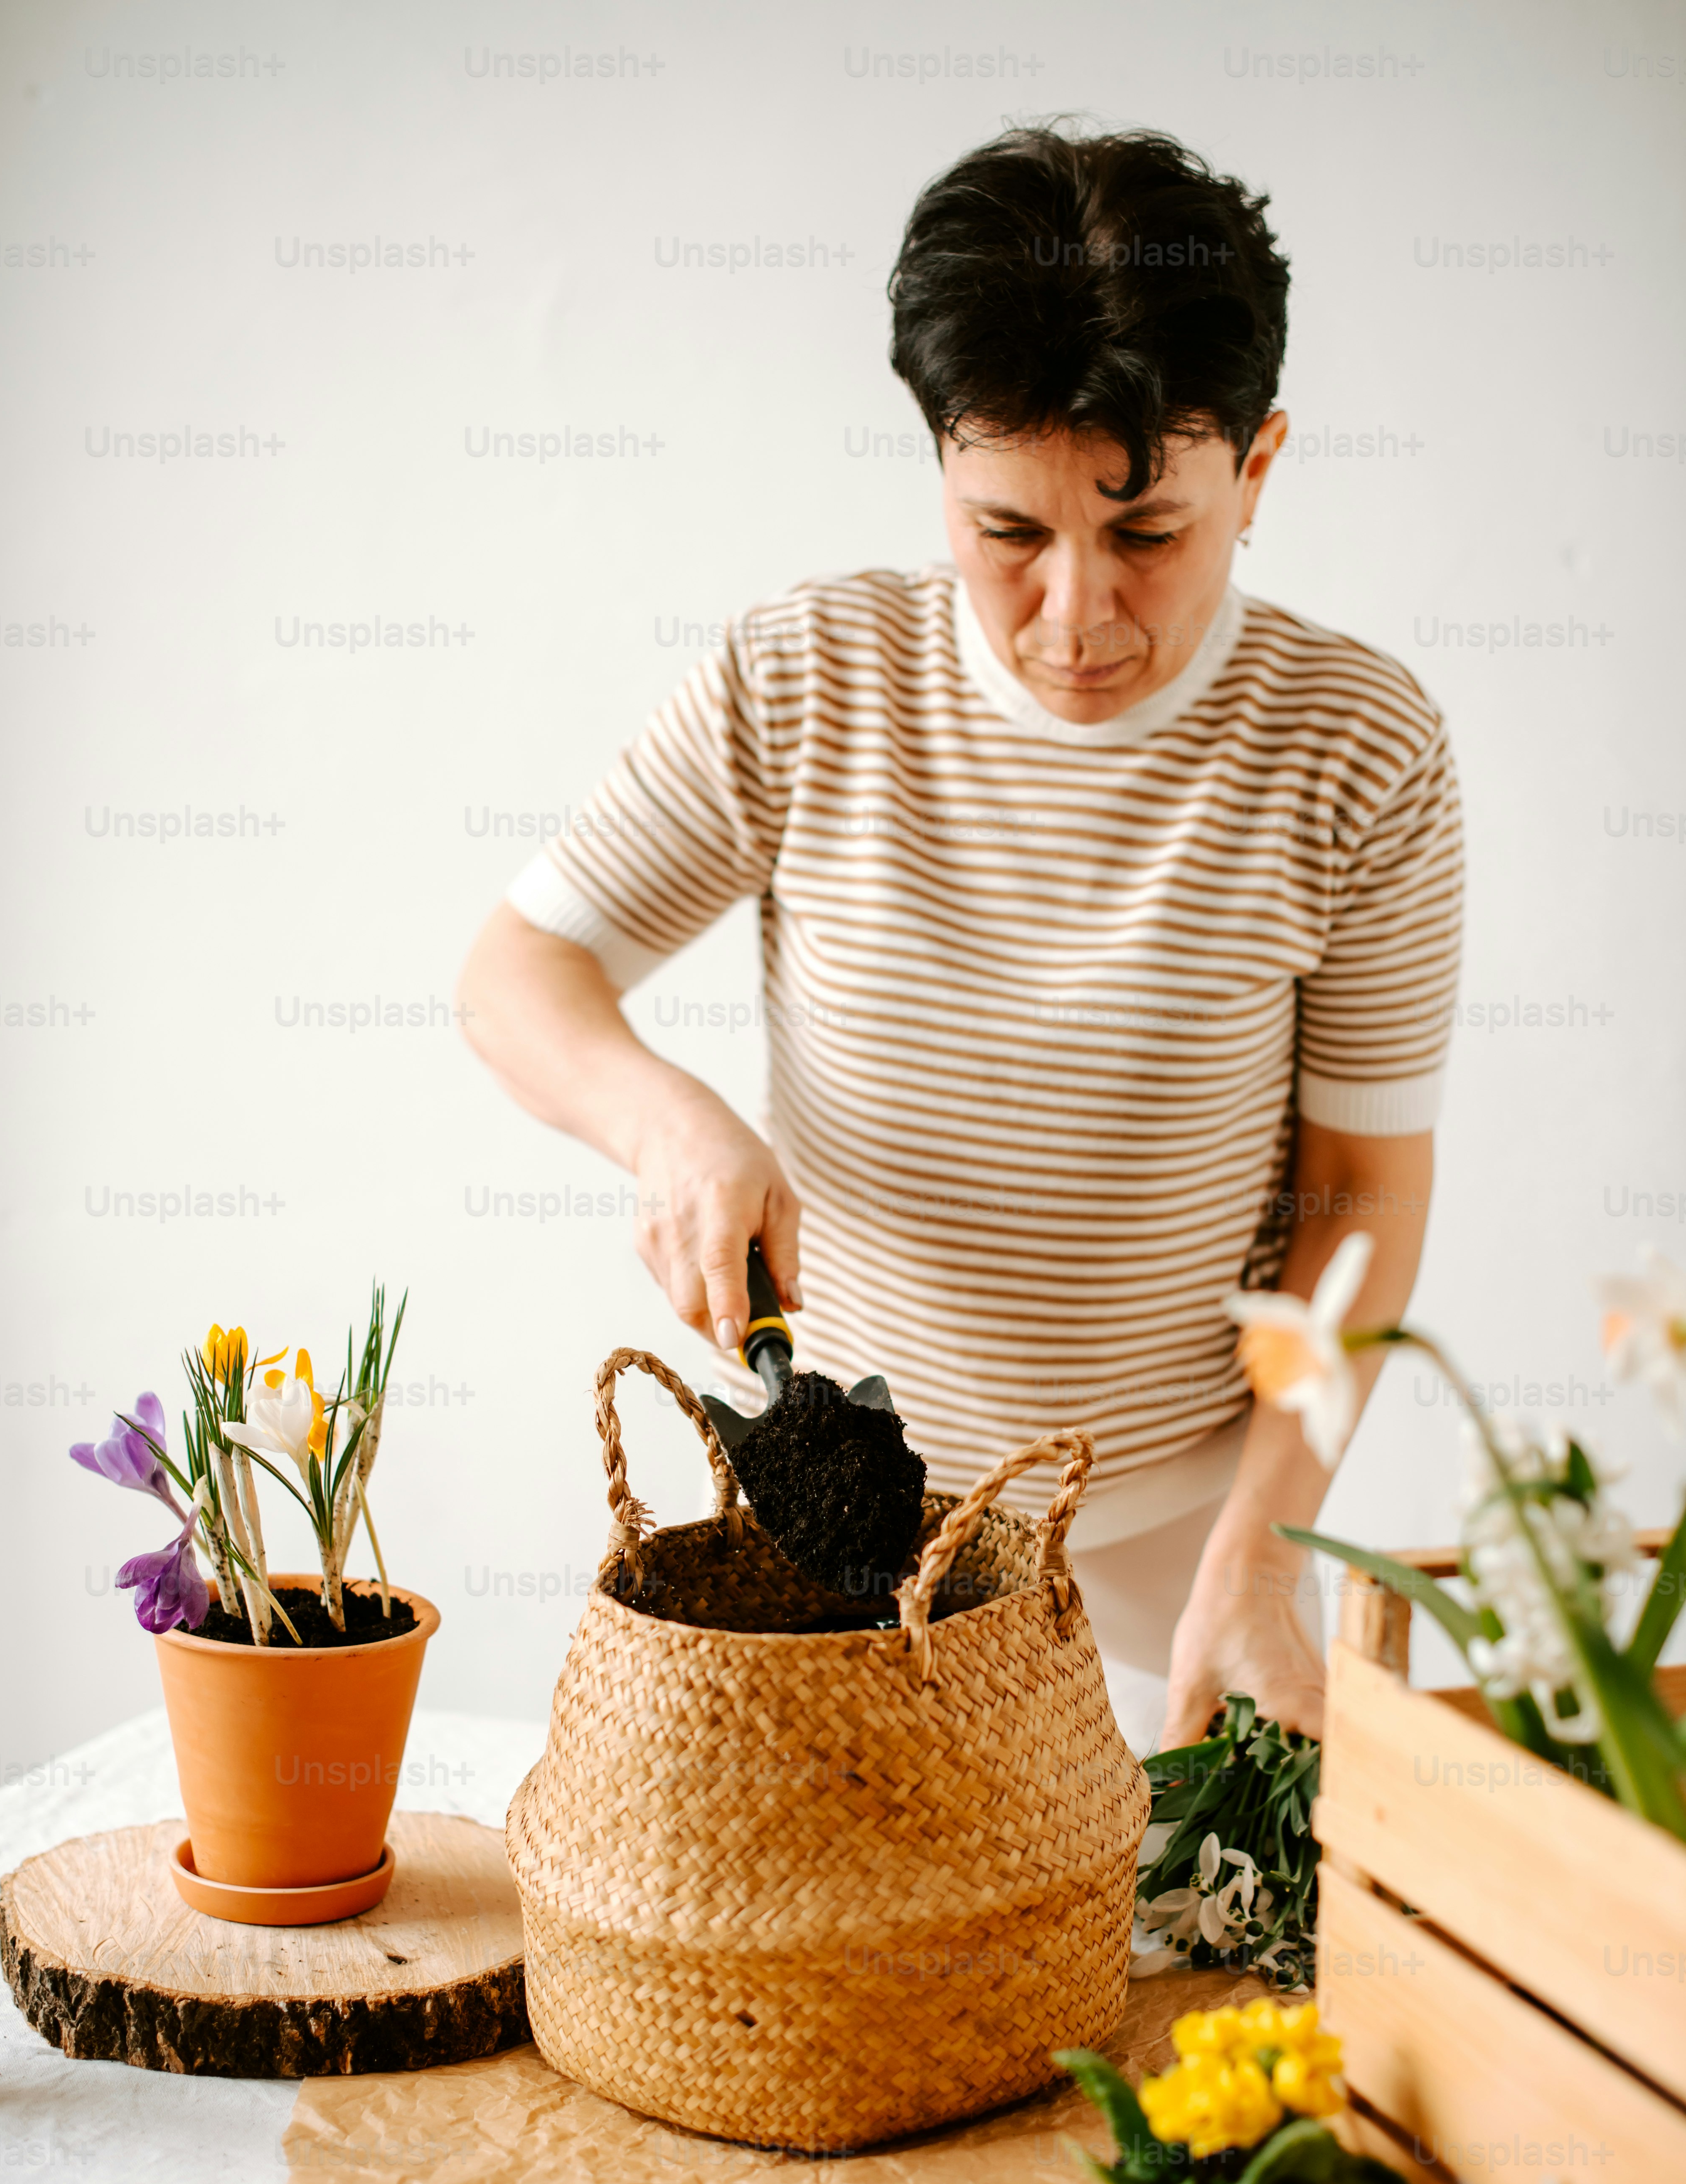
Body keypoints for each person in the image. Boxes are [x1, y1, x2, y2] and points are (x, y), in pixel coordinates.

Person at [460, 125, 1460, 1755]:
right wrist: (667, 1120)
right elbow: (515, 980)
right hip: (864, 1528)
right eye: (1007, 533)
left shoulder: (1357, 748)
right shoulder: (803, 681)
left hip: (1184, 1548)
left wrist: (1265, 1550)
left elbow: (1362, 1196)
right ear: (937, 463)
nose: (1075, 615)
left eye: (1146, 535)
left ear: (1256, 471)